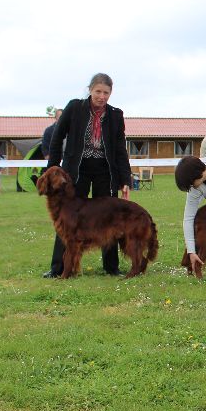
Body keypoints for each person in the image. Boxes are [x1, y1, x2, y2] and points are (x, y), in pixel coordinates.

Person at [43, 73, 132, 278]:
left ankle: (111, 268)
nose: (102, 96)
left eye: (106, 93)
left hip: (105, 171)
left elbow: (120, 150)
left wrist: (125, 180)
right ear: (90, 90)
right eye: (98, 91)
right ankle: (58, 268)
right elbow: (57, 139)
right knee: (67, 219)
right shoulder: (74, 108)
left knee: (108, 218)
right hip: (75, 172)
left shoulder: (116, 115)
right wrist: (52, 170)